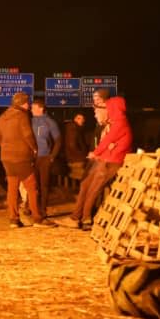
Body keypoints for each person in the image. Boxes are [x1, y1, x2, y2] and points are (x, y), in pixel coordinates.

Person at [58, 97, 132, 230]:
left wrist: (96, 153)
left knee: (93, 189)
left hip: (111, 162)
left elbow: (108, 140)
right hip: (105, 159)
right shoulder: (114, 122)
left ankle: (85, 219)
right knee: (86, 184)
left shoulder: (120, 123)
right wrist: (101, 152)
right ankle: (76, 217)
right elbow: (108, 143)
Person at [0, 92, 56, 228]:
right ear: (22, 103)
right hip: (21, 157)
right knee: (32, 187)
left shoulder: (3, 116)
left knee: (12, 188)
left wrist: (6, 145)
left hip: (6, 158)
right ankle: (38, 218)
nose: (28, 105)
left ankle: (13, 219)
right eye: (27, 103)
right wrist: (34, 148)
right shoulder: (21, 116)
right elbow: (27, 135)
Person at [31, 99, 62, 218]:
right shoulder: (30, 121)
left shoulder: (50, 122)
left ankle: (43, 209)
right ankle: (32, 208)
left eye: (33, 108)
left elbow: (58, 141)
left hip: (45, 157)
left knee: (44, 185)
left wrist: (52, 156)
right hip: (33, 158)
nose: (31, 110)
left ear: (41, 109)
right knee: (33, 185)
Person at [63, 112, 89, 186]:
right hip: (77, 159)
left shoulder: (75, 128)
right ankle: (77, 194)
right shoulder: (73, 128)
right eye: (79, 118)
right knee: (82, 178)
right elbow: (72, 145)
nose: (82, 120)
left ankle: (74, 193)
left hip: (74, 158)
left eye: (83, 118)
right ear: (74, 119)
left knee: (76, 178)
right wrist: (83, 155)